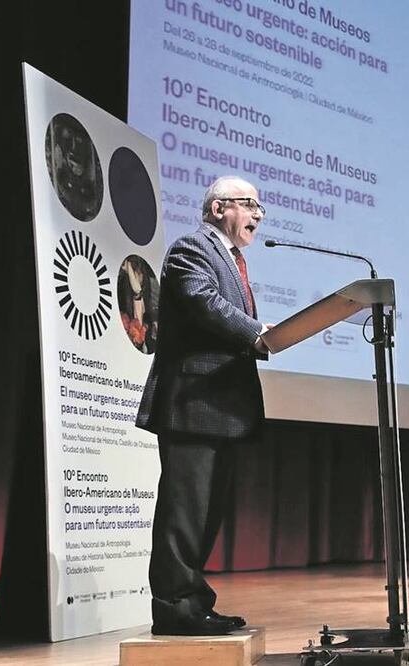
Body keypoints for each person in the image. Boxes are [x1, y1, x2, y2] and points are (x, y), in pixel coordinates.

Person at [136, 175, 269, 636]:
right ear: (218, 209)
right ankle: (173, 606)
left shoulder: (232, 260)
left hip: (223, 407)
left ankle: (192, 603)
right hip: (193, 402)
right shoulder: (191, 249)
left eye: (259, 208)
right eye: (250, 205)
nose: (257, 215)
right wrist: (257, 332)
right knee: (185, 510)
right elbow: (204, 302)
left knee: (206, 512)